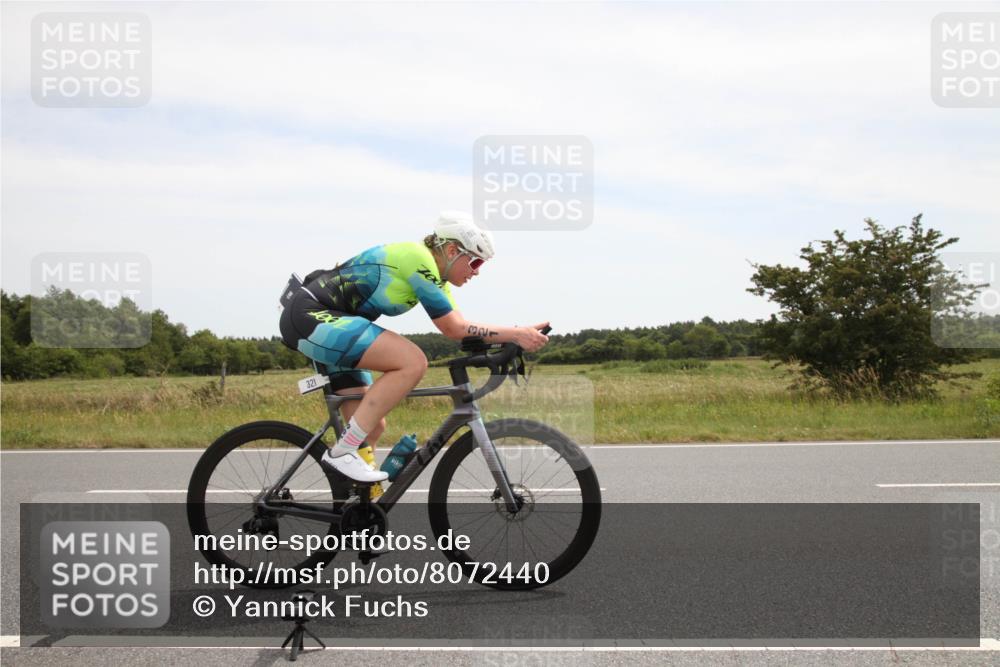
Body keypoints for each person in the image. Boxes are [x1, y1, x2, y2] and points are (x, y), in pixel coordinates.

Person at [279, 212, 549, 489]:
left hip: (332, 322)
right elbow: (453, 328)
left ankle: (357, 510)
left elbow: (463, 328)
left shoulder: (437, 278)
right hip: (311, 316)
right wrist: (516, 333)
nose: (477, 271)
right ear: (453, 250)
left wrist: (515, 337)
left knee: (371, 426)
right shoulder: (417, 259)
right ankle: (343, 452)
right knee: (412, 362)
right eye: (476, 261)